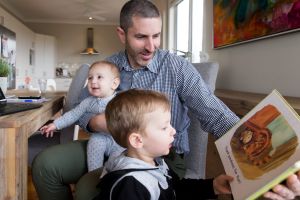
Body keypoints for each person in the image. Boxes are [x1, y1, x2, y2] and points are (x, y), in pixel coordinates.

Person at [32, 1, 300, 200]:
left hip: (161, 154)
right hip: (108, 145)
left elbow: (216, 115)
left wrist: (261, 155)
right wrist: (101, 123)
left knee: (93, 188)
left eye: (156, 35)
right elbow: (81, 111)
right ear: (122, 34)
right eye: (140, 37)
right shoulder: (107, 67)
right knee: (45, 165)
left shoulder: (176, 67)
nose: (151, 46)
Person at [94, 89, 233, 200]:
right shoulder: (131, 186)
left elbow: (175, 188)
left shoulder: (156, 162)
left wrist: (213, 186)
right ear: (137, 140)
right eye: (164, 127)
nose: (173, 131)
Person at [40, 60, 124, 171]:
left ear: (114, 84)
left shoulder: (121, 101)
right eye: (90, 78)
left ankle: (109, 174)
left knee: (118, 160)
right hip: (102, 138)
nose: (93, 81)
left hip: (120, 142)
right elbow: (73, 114)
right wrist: (55, 125)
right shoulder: (88, 101)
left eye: (99, 77)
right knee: (94, 140)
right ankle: (94, 173)